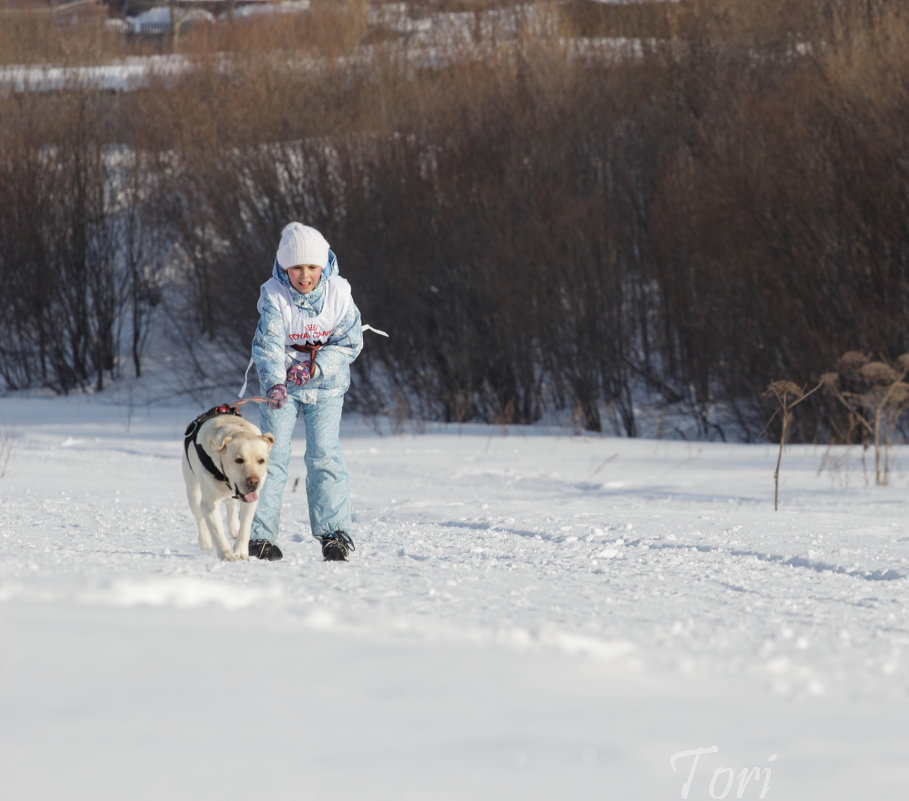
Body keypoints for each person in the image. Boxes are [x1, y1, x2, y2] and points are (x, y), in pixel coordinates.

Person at [241, 222, 363, 562]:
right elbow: (267, 344)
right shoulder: (275, 295)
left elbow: (350, 343)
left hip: (326, 386)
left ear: (322, 265)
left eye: (311, 267)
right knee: (272, 457)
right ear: (285, 267)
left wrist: (316, 366)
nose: (304, 275)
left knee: (324, 455)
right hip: (282, 388)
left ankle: (334, 533)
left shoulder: (339, 293)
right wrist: (276, 382)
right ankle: (259, 535)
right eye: (296, 267)